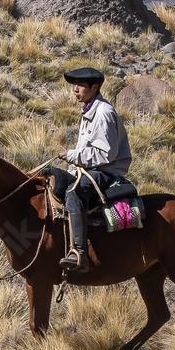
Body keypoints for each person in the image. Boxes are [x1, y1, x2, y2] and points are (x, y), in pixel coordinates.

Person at [45, 66, 130, 275]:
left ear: (95, 87)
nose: (75, 89)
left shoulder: (103, 113)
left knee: (74, 192)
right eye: (74, 85)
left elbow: (106, 155)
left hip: (107, 172)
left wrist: (73, 155)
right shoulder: (90, 110)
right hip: (91, 169)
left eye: (81, 85)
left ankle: (79, 252)